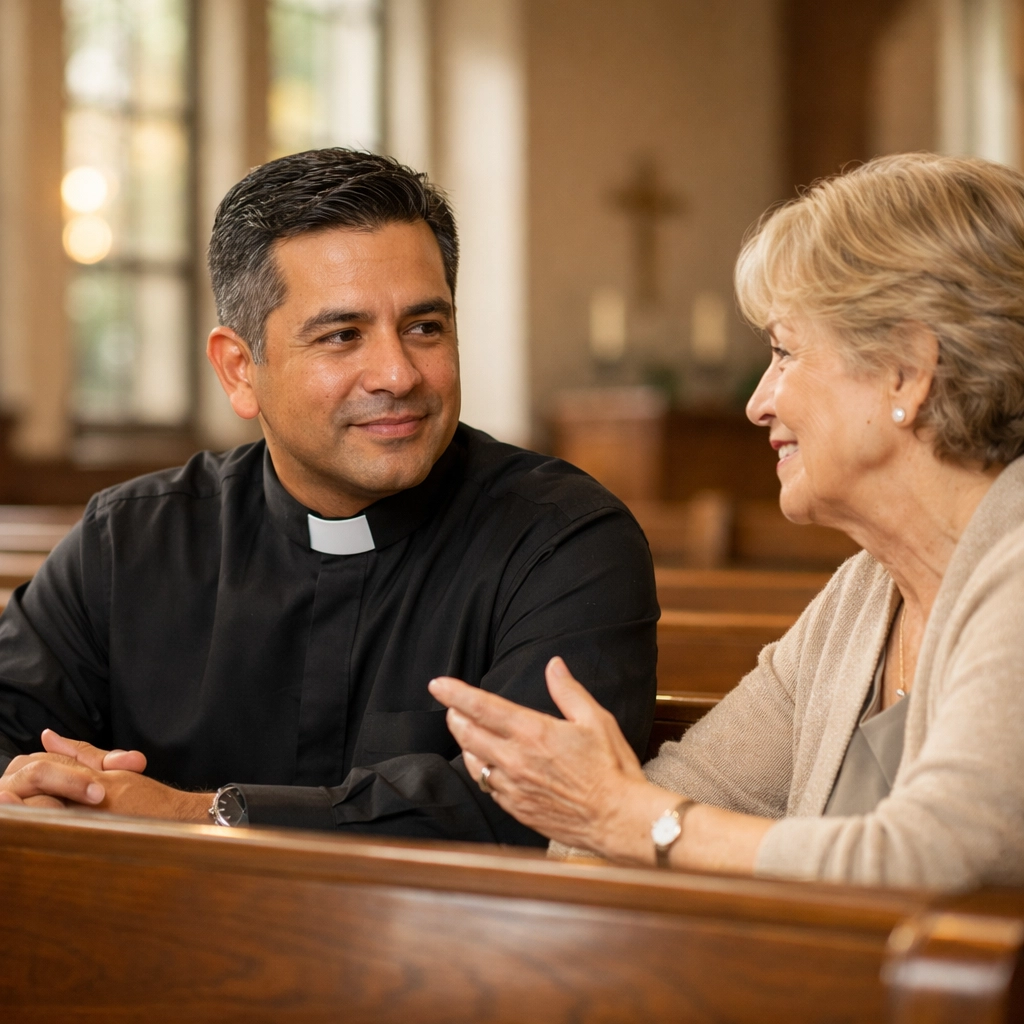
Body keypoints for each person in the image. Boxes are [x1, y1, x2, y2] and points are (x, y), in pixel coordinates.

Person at [0, 149, 658, 844]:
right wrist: (42, 789)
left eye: (425, 328)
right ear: (239, 369)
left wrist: (193, 817)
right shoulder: (128, 541)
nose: (398, 375)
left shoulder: (565, 541)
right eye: (343, 336)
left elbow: (532, 809)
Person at [430, 153, 1024, 889]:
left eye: (784, 352)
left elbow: (937, 861)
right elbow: (676, 796)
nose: (758, 402)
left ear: (906, 371)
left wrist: (627, 819)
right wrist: (609, 823)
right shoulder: (864, 594)